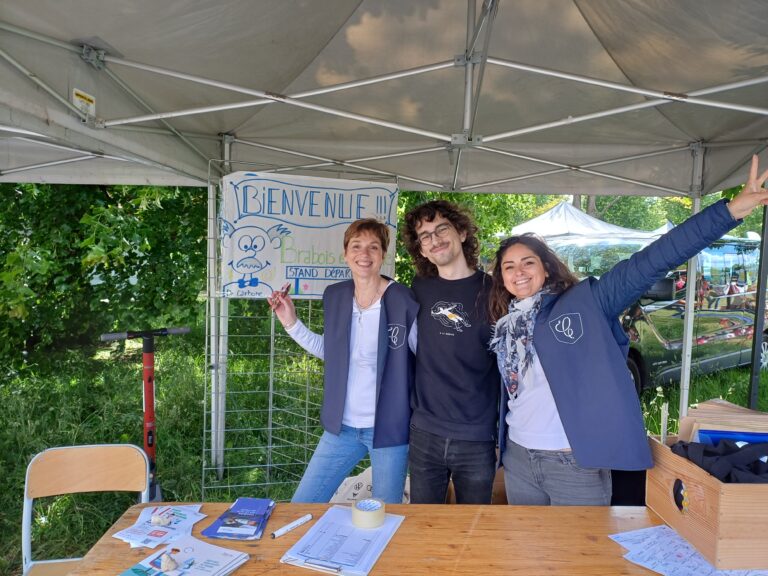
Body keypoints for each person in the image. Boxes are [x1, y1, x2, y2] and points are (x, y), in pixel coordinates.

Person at [487, 155, 768, 506]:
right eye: (509, 267)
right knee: (527, 559)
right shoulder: (505, 327)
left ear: (546, 267)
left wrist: (728, 213)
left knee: (584, 559)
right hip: (519, 458)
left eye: (528, 262)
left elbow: (652, 260)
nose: (519, 272)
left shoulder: (586, 302)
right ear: (502, 278)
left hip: (573, 460)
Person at [269, 218, 419, 504]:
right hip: (342, 429)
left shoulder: (402, 299)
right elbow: (331, 352)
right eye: (357, 246)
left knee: (385, 514)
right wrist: (291, 322)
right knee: (302, 504)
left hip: (389, 428)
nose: (365, 254)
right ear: (345, 253)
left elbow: (424, 358)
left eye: (373, 247)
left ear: (383, 255)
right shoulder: (335, 295)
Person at [402, 201, 500, 504]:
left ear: (461, 231)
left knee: (474, 529)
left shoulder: (496, 291)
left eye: (441, 229)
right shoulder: (419, 288)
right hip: (424, 432)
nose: (435, 239)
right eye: (425, 236)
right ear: (421, 249)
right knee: (424, 527)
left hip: (477, 436)